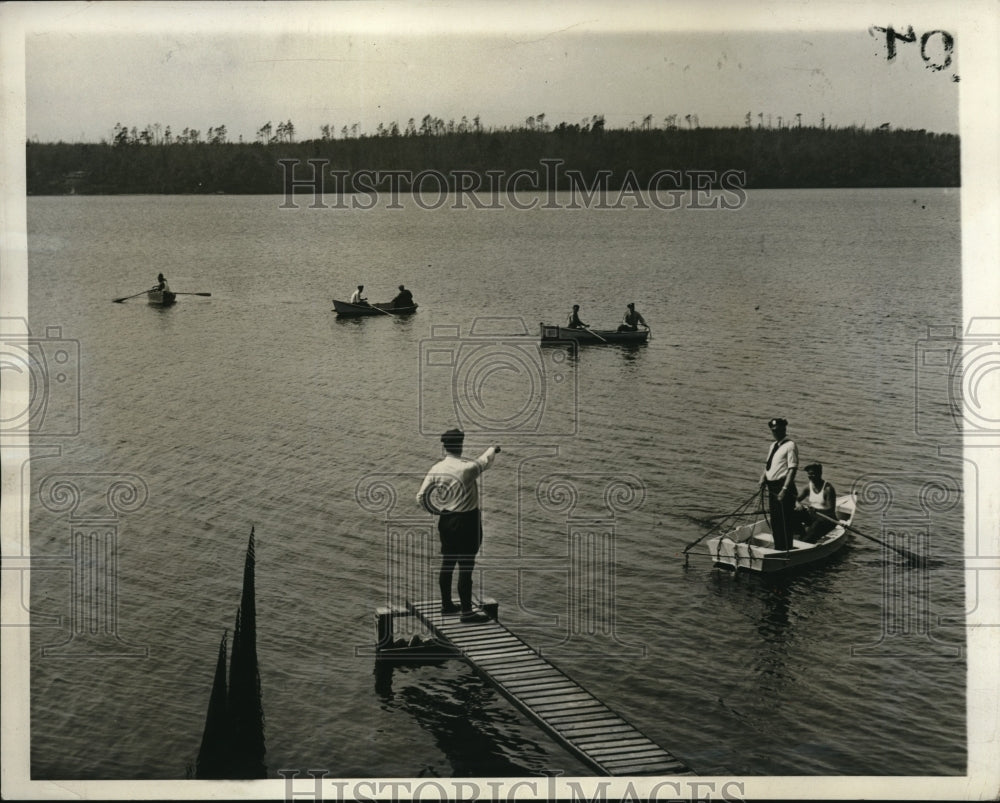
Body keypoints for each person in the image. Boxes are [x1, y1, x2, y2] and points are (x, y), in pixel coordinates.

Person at [417, 429, 501, 623]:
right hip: (467, 523)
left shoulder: (436, 468)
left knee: (447, 564)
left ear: (445, 447)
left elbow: (420, 497)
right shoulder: (467, 469)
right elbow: (484, 461)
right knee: (466, 566)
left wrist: (437, 511)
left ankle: (446, 605)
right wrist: (493, 449)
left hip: (446, 521)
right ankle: (466, 612)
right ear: (460, 445)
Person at [758, 417, 800, 550]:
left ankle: (786, 549)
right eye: (773, 430)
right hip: (772, 487)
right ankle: (778, 547)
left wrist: (784, 489)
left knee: (785, 521)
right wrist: (763, 477)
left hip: (783, 487)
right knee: (775, 520)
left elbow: (792, 469)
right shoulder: (773, 445)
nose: (775, 432)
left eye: (777, 430)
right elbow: (769, 465)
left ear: (784, 429)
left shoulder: (790, 445)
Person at [795, 463, 837, 543]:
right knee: (794, 514)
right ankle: (800, 533)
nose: (810, 476)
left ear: (819, 474)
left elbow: (831, 509)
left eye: (813, 474)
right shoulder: (809, 487)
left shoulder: (828, 489)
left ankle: (805, 541)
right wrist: (798, 504)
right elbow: (796, 499)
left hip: (827, 519)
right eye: (809, 474)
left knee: (816, 526)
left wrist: (817, 510)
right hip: (813, 516)